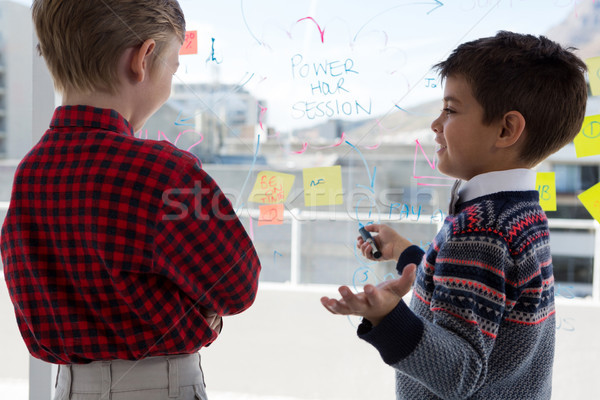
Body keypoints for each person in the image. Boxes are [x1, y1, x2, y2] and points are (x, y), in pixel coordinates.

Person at [1, 1, 261, 399]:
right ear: (143, 59)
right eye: (173, 68)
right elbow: (238, 288)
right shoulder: (165, 173)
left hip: (67, 388)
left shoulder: (30, 172)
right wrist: (196, 316)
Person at [321, 31, 587, 399]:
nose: (436, 124)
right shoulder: (521, 212)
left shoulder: (480, 230)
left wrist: (387, 318)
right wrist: (408, 254)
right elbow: (475, 292)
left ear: (506, 129)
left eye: (451, 109)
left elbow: (457, 373)